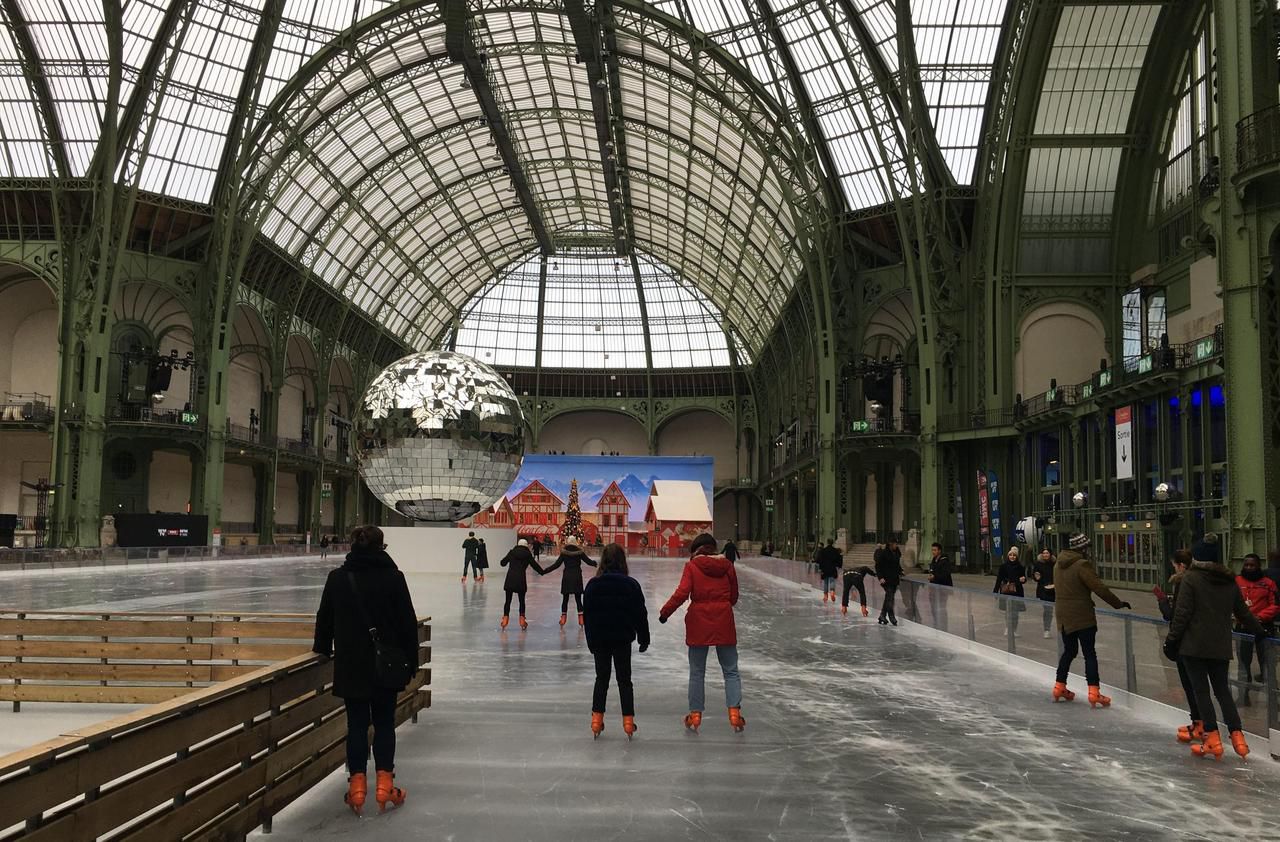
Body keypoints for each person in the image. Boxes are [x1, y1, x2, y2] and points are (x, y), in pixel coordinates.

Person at [312, 525, 417, 816]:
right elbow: (407, 622)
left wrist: (322, 648)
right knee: (384, 723)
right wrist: (412, 661)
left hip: (351, 666)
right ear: (382, 547)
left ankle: (357, 788)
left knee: (356, 726)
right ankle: (385, 785)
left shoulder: (338, 578)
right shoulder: (394, 578)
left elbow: (325, 620)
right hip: (386, 667)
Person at [1164, 535, 1266, 759]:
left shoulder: (1190, 578)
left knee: (1202, 692)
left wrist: (1171, 641)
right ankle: (1237, 736)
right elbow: (1243, 612)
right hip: (1219, 646)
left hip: (1194, 647)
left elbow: (1181, 615)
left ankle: (1211, 739)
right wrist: (1259, 631)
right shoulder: (1229, 581)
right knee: (1222, 691)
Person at [659, 533, 745, 733]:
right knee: (731, 670)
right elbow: (734, 596)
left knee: (697, 672)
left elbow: (682, 592)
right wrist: (722, 605)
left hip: (699, 622)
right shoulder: (728, 566)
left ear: (695, 550)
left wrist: (665, 613)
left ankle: (695, 715)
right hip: (724, 620)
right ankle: (734, 713)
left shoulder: (692, 566)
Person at [1052, 532, 1130, 707]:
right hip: (1082, 616)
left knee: (1069, 651)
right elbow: (1099, 588)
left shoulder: (1057, 565)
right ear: (1081, 548)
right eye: (1086, 547)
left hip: (1064, 617)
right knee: (1089, 653)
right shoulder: (1082, 565)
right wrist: (1118, 603)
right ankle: (1094, 692)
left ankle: (1059, 686)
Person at [583, 544, 650, 739]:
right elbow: (640, 614)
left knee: (601, 679)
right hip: (622, 640)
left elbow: (588, 616)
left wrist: (591, 641)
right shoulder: (631, 585)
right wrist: (643, 638)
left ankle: (596, 720)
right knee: (625, 681)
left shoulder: (594, 585)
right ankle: (628, 722)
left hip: (601, 640)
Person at [1158, 549, 1204, 743]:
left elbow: (1175, 615)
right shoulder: (1201, 581)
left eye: (1174, 565)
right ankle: (1199, 723)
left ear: (1181, 566)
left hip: (1186, 643)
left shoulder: (1182, 583)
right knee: (1198, 686)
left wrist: (1162, 602)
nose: (1174, 569)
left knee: (1192, 685)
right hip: (1200, 640)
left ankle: (1200, 724)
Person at [1234, 552, 1278, 707]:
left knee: (1267, 664)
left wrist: (1260, 617)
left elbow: (1275, 604)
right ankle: (1243, 696)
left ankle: (1273, 700)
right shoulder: (1237, 581)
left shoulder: (1269, 583)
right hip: (1243, 627)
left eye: (1252, 565)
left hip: (1263, 627)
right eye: (1246, 564)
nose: (1249, 567)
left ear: (1258, 566)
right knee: (1243, 664)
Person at [541, 535, 597, 627]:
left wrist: (545, 571)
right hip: (577, 576)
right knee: (578, 599)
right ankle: (581, 619)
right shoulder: (579, 552)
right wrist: (595, 563)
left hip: (567, 576)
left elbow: (556, 565)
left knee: (565, 598)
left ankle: (563, 618)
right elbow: (588, 561)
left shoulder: (564, 552)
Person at [499, 539, 547, 629]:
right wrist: (542, 572)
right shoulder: (527, 554)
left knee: (508, 601)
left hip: (510, 579)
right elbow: (535, 565)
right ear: (526, 546)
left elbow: (503, 563)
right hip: (521, 579)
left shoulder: (512, 552)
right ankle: (522, 620)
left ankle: (505, 619)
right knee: (522, 601)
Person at [993, 547, 1027, 636]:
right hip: (1006, 591)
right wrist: (995, 591)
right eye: (1010, 555)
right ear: (1008, 556)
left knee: (1015, 612)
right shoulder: (1003, 566)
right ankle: (1008, 628)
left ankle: (1014, 630)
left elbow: (1023, 578)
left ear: (1017, 557)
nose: (1012, 557)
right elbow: (999, 579)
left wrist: (1023, 579)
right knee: (1008, 611)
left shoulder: (1020, 567)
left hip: (1017, 592)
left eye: (1014, 555)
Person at [874, 539, 902, 625]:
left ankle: (882, 615)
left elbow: (897, 565)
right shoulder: (883, 553)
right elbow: (878, 566)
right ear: (890, 544)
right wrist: (880, 577)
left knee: (889, 598)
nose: (896, 545)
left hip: (894, 579)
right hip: (886, 579)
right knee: (890, 597)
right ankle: (891, 616)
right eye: (895, 544)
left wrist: (900, 571)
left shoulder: (896, 553)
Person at [926, 543, 953, 629]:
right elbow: (932, 571)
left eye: (935, 550)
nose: (933, 552)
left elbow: (945, 574)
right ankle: (936, 623)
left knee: (941, 607)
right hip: (934, 588)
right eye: (932, 550)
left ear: (939, 551)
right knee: (933, 606)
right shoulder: (934, 560)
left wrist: (935, 576)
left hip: (943, 589)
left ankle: (943, 625)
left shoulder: (945, 561)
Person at [1031, 548, 1056, 638]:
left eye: (1047, 553)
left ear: (1050, 554)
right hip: (1043, 590)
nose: (1045, 555)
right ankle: (1047, 629)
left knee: (1055, 610)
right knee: (1048, 610)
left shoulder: (1055, 564)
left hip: (1054, 590)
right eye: (1044, 553)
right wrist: (1036, 577)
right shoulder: (1038, 564)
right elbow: (1034, 575)